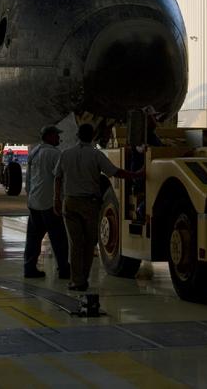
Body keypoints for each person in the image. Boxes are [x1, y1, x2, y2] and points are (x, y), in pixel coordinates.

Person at [54, 123, 140, 292]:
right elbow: (115, 172)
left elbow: (57, 178)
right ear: (92, 136)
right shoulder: (96, 155)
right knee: (89, 244)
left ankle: (76, 280)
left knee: (75, 244)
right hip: (89, 204)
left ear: (77, 135)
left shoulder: (65, 154)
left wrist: (57, 200)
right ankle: (82, 279)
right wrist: (136, 174)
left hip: (69, 202)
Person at [23, 125, 70, 280]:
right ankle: (63, 269)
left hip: (34, 202)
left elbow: (28, 179)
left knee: (33, 238)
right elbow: (60, 178)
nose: (58, 138)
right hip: (49, 203)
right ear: (49, 136)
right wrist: (62, 199)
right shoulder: (55, 154)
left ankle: (29, 268)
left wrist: (30, 197)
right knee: (59, 238)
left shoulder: (34, 152)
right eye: (56, 136)